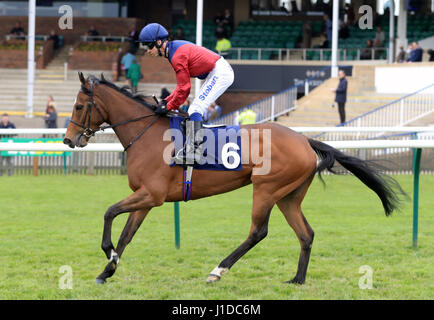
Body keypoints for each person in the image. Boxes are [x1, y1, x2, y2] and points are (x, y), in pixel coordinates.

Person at [138, 23, 234, 164]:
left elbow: (185, 89)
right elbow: (181, 86)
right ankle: (193, 148)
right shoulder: (172, 50)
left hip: (220, 73)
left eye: (149, 46)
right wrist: (166, 101)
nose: (148, 51)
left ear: (159, 42)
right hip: (216, 71)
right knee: (195, 108)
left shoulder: (176, 56)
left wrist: (168, 106)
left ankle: (195, 151)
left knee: (195, 108)